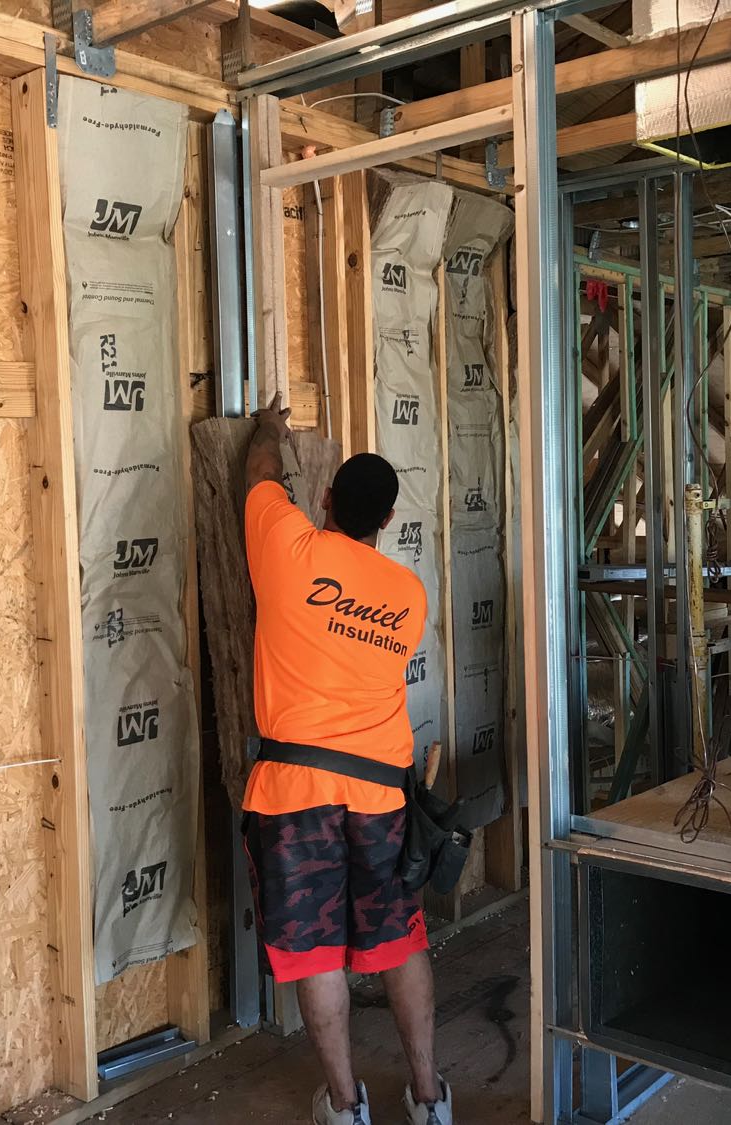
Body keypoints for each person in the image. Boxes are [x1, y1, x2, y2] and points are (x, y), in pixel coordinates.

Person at [242, 394, 453, 1125]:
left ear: (325, 497)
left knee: (315, 953)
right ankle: (428, 1099)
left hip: (293, 793)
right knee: (399, 941)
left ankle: (344, 1106)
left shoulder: (286, 546)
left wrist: (269, 427)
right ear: (388, 520)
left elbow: (259, 474)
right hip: (379, 796)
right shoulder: (408, 594)